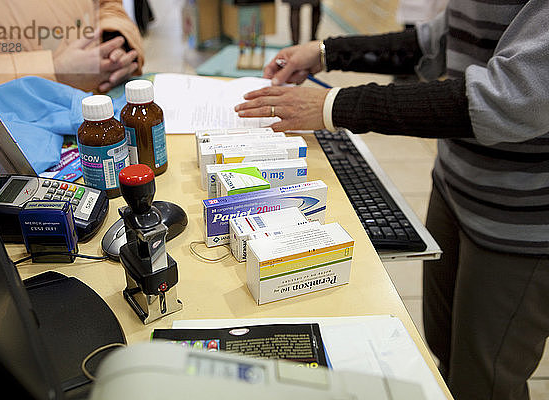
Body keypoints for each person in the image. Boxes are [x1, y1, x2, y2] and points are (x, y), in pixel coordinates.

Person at [235, 1, 549, 399]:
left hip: (521, 223)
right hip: (455, 187)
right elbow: (434, 41)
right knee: (444, 346)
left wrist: (334, 105)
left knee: (485, 380)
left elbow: (509, 97)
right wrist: (327, 52)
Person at [0, 0, 144, 92]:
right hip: (19, 135)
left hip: (107, 95)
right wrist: (54, 71)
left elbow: (108, 5)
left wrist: (115, 43)